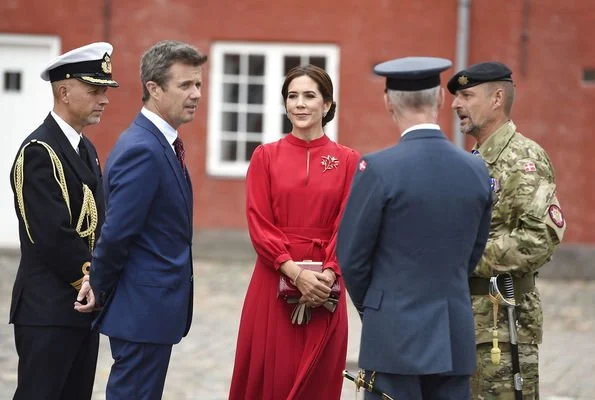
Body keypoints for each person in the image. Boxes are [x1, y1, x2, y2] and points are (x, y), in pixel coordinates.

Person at [337, 57, 493, 400]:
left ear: (387, 102)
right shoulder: (476, 169)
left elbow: (351, 257)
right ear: (439, 98)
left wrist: (377, 308)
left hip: (393, 335)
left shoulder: (378, 169)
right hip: (453, 334)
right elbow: (473, 252)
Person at [74, 40, 207, 399]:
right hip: (141, 310)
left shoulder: (161, 143)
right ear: (153, 88)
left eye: (198, 84)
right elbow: (117, 232)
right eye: (185, 85)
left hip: (151, 312)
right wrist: (98, 286)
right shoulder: (144, 149)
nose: (196, 94)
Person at [228, 64, 359, 400]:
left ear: (327, 105)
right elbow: (258, 221)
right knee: (271, 376)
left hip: (326, 288)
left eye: (309, 96)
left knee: (318, 380)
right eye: (292, 96)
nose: (300, 104)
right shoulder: (265, 157)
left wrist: (327, 276)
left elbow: (349, 225)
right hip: (273, 281)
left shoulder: (348, 161)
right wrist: (293, 271)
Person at [448, 61, 566, 399]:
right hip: (469, 320)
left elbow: (538, 239)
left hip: (504, 323)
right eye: (456, 97)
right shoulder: (476, 159)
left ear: (497, 98)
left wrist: (465, 258)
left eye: (466, 95)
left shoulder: (522, 158)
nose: (456, 104)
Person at [8, 42, 118, 400]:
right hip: (48, 310)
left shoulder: (85, 148)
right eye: (94, 89)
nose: (104, 98)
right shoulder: (39, 151)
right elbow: (50, 234)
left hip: (83, 307)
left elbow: (99, 222)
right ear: (65, 91)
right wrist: (90, 278)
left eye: (105, 90)